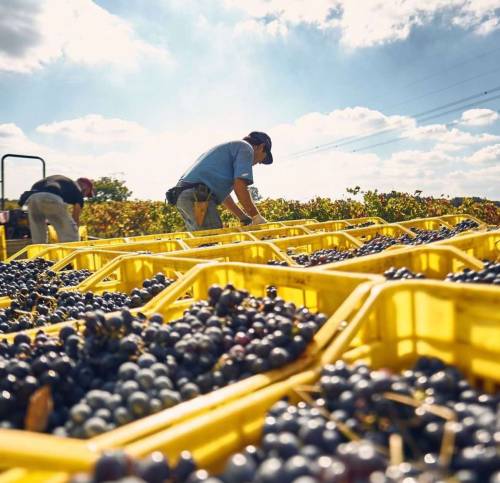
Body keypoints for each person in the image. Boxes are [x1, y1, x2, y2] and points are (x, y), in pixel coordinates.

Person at [167, 131, 273, 231]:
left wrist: (243, 217)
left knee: (204, 242)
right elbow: (240, 186)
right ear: (261, 147)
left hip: (184, 196)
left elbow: (225, 196)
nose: (259, 163)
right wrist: (256, 217)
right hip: (197, 196)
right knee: (211, 241)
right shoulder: (246, 148)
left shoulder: (230, 150)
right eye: (262, 159)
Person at [19, 175, 95, 244]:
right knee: (71, 237)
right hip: (50, 198)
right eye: (87, 194)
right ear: (86, 187)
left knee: (39, 238)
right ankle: (71, 257)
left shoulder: (65, 183)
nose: (85, 196)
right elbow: (75, 218)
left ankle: (39, 258)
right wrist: (74, 231)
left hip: (31, 199)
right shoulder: (77, 191)